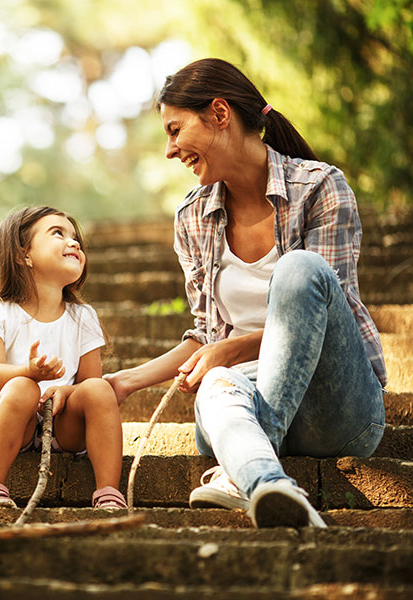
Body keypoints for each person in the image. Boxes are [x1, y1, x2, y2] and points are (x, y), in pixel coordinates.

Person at [104, 58, 386, 528]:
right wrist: (126, 381)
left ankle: (249, 463)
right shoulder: (192, 218)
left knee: (300, 270)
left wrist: (231, 348)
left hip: (335, 409)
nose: (170, 150)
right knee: (217, 382)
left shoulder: (319, 187)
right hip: (239, 419)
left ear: (219, 113)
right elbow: (206, 335)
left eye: (175, 130)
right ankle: (267, 485)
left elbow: (319, 307)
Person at [0, 205, 127, 510]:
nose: (73, 242)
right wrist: (29, 372)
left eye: (75, 237)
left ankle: (108, 492)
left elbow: (90, 384)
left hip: (61, 424)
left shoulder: (83, 316)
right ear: (23, 255)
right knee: (22, 387)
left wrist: (65, 390)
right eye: (57, 234)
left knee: (100, 389)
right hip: (8, 417)